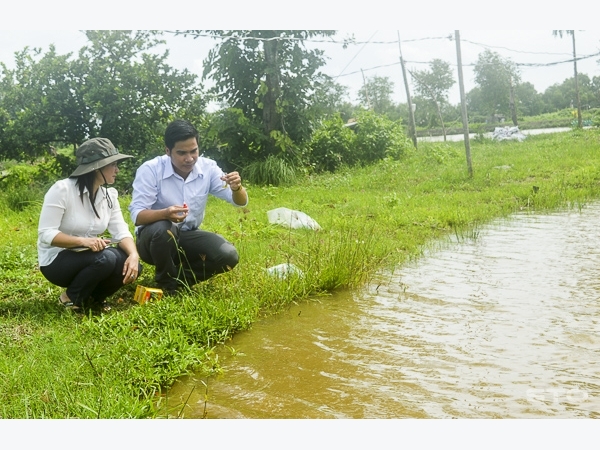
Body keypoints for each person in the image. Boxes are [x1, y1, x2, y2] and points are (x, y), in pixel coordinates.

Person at [128, 119, 248, 294]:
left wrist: (237, 187)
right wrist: (165, 214)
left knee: (228, 255)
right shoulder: (151, 170)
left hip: (187, 236)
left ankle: (177, 281)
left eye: (194, 151)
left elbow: (239, 201)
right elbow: (138, 215)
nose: (190, 158)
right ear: (168, 151)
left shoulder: (208, 168)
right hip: (153, 241)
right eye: (182, 153)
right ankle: (166, 284)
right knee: (164, 228)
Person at [38, 137, 142, 312]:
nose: (117, 169)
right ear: (96, 168)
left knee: (131, 265)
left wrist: (133, 255)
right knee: (106, 258)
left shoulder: (110, 195)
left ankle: (94, 298)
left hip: (90, 257)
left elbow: (121, 231)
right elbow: (46, 234)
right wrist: (84, 241)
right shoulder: (63, 190)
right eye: (113, 164)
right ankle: (70, 298)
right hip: (57, 260)